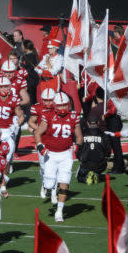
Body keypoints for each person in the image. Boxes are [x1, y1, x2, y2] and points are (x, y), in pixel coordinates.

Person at [34, 92, 82, 223]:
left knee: (64, 183)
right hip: (51, 154)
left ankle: (59, 211)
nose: (62, 108)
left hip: (66, 154)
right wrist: (40, 146)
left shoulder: (73, 116)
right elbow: (38, 133)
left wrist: (77, 145)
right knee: (50, 183)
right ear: (55, 105)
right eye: (59, 105)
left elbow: (79, 136)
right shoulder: (48, 115)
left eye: (64, 105)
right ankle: (46, 185)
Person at [77, 113, 112, 184]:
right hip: (100, 165)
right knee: (99, 168)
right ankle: (96, 174)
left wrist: (80, 158)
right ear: (98, 122)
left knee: (78, 177)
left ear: (87, 123)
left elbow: (78, 151)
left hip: (86, 165)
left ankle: (86, 178)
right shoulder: (104, 135)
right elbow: (108, 153)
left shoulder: (82, 134)